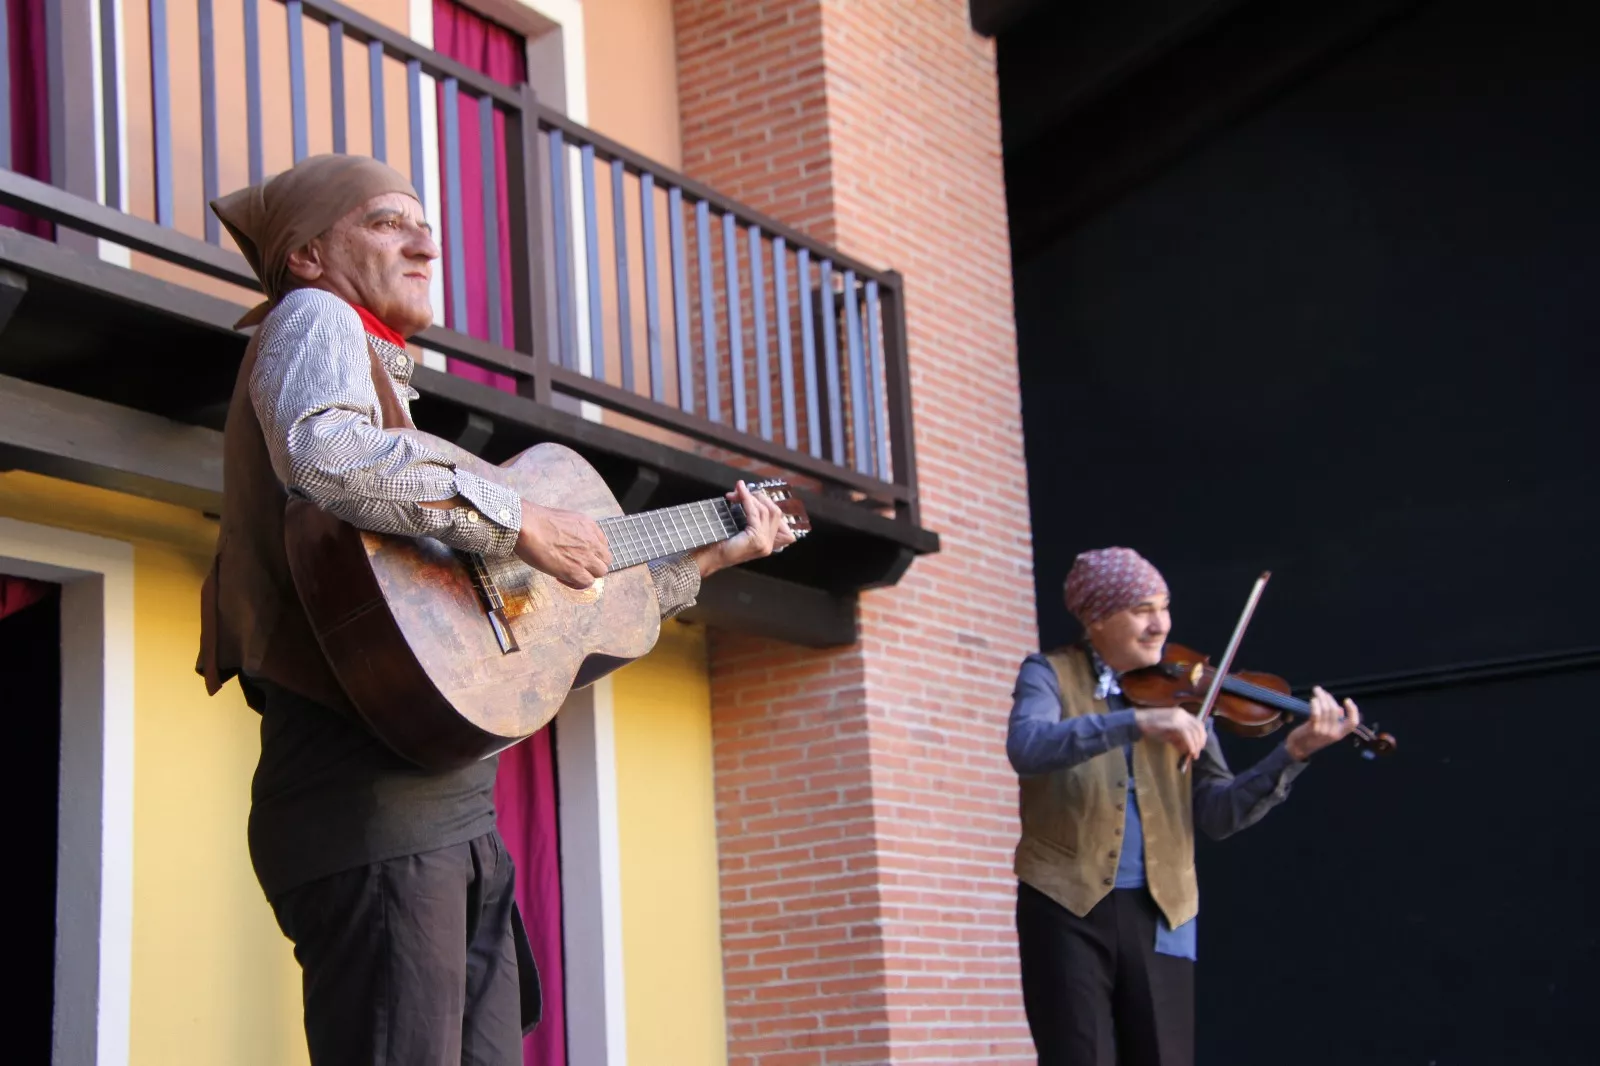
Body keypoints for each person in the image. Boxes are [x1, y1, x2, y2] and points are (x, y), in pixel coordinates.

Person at [195, 153, 796, 1066]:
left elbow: (578, 618)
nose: (427, 239)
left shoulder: (408, 429)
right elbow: (323, 454)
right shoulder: (313, 316)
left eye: (425, 220)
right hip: (370, 812)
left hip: (444, 818)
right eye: (387, 221)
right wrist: (519, 521)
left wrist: (714, 550)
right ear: (310, 257)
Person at [1008, 547, 1360, 1066]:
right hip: (1065, 907)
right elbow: (1028, 747)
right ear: (1097, 618)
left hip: (1164, 911)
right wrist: (1136, 723)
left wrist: (1293, 754)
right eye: (1142, 610)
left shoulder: (1188, 690)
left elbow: (1217, 813)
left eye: (1164, 607)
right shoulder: (1048, 675)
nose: (1160, 625)